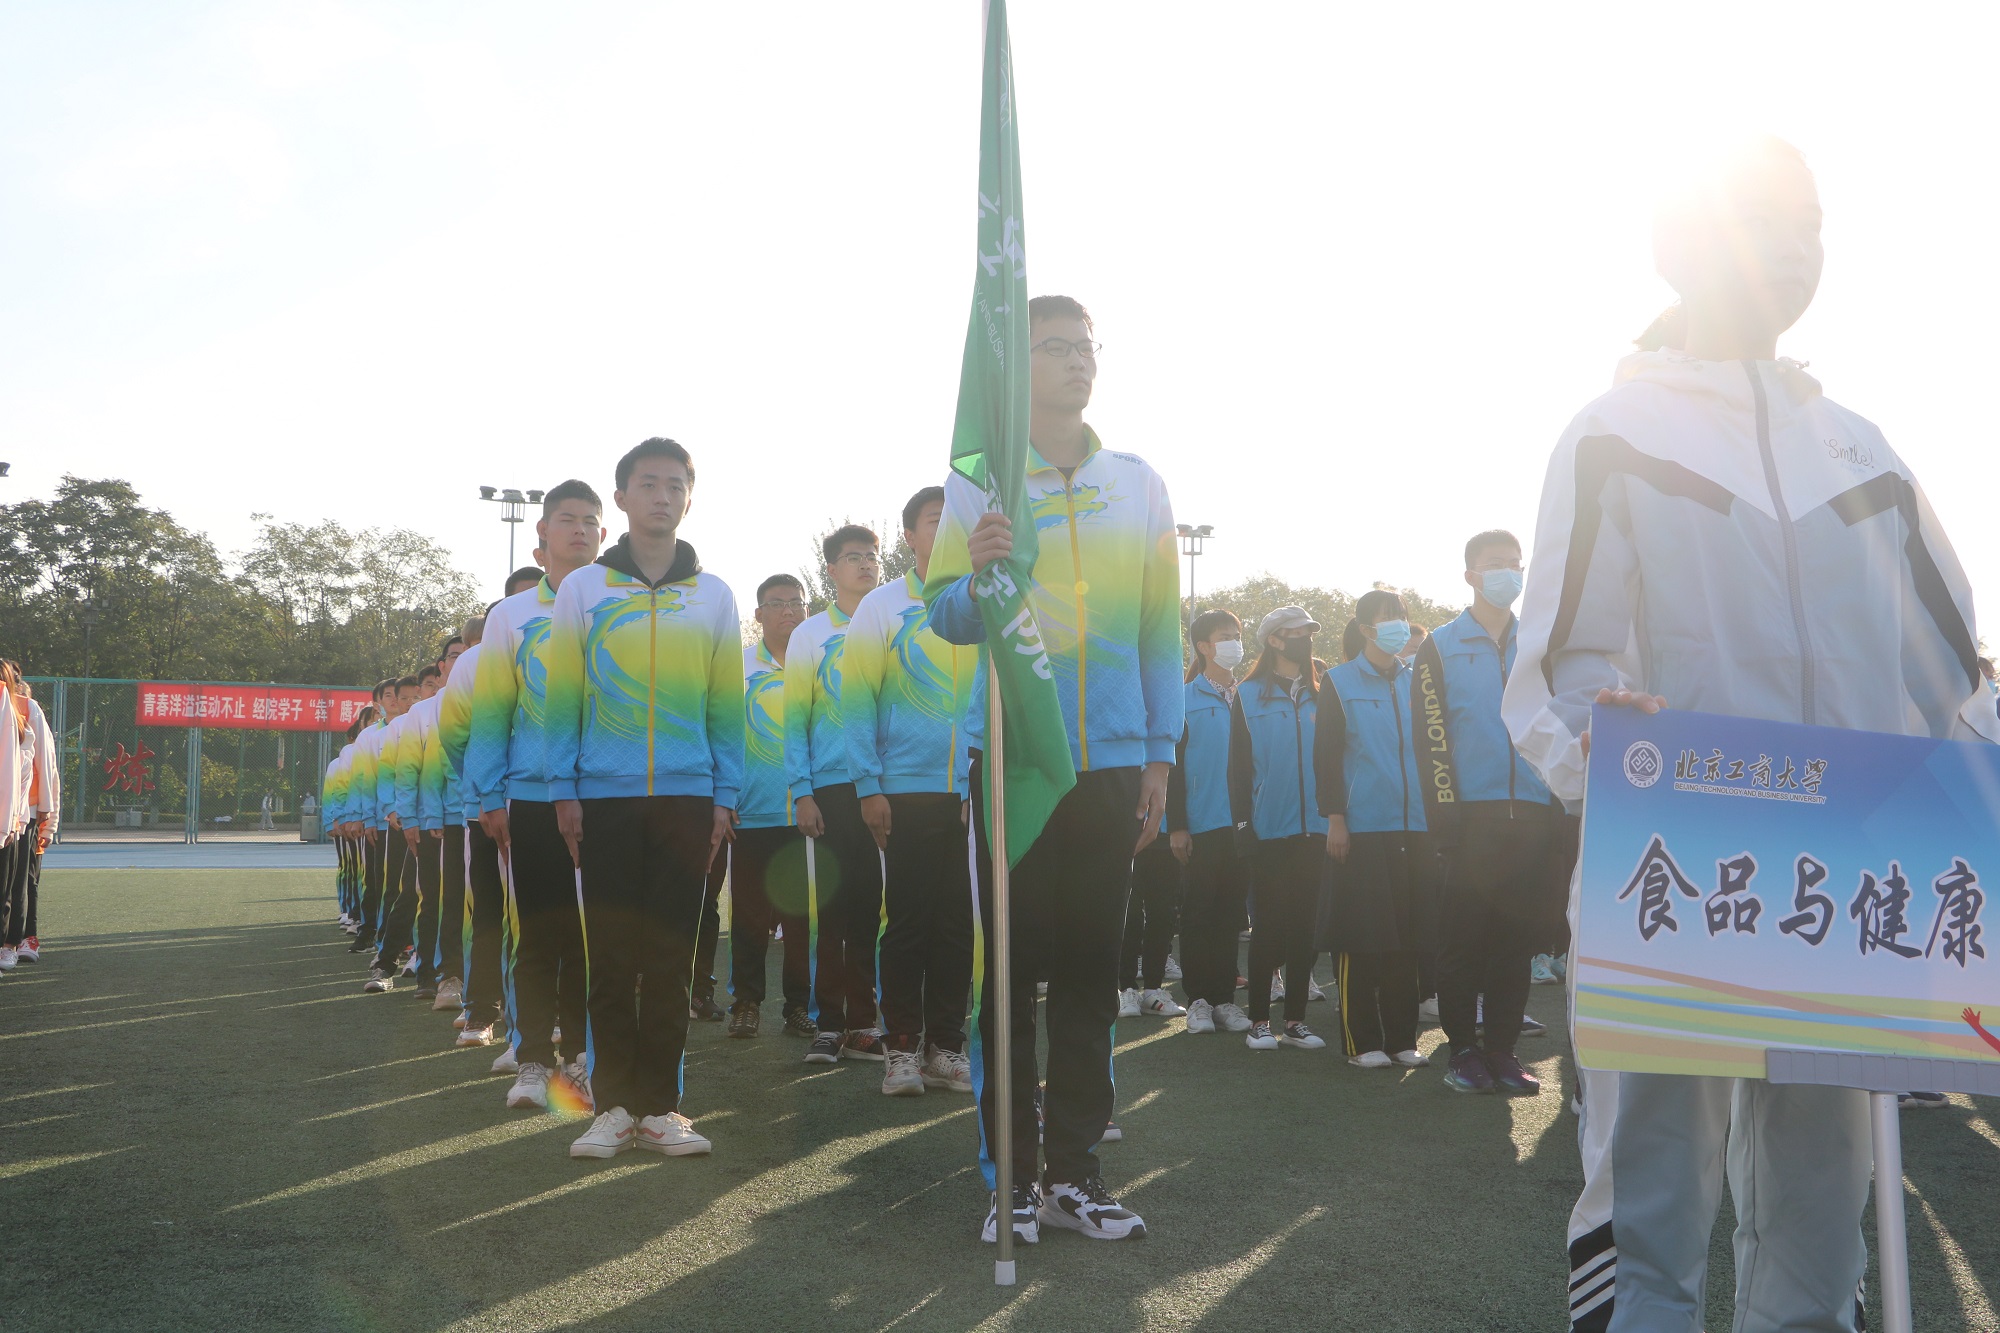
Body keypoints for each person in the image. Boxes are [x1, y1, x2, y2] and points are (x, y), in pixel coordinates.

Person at [1502, 137, 1998, 1333]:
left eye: (1808, 223)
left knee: (1820, 1195)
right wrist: (1598, 750)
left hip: (1841, 880)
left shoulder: (1863, 452)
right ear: (1676, 245)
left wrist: (1954, 793)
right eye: (1759, 218)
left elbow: (1952, 672)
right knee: (1652, 1184)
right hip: (1674, 865)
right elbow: (1556, 670)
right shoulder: (1614, 432)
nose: (1791, 246)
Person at [926, 294, 1180, 1244]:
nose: (1079, 361)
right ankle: (1012, 1183)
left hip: (1111, 765)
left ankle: (1075, 1176)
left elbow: (1160, 629)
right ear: (1016, 365)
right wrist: (980, 570)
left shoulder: (1139, 484)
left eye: (1087, 346)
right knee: (1010, 978)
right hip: (1017, 762)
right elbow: (946, 616)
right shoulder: (980, 485)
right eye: (1056, 346)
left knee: (1089, 975)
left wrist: (1159, 755)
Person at [545, 437, 744, 1161]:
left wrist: (724, 794)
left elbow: (726, 705)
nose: (663, 496)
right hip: (604, 797)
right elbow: (563, 698)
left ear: (689, 497)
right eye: (649, 483)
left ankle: (660, 1109)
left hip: (689, 797)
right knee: (609, 954)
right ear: (622, 497)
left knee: (670, 955)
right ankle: (613, 1109)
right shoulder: (584, 590)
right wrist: (564, 790)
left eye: (676, 485)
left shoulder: (714, 594)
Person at [1407, 530, 1564, 1095]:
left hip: (1533, 813)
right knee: (1462, 943)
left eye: (1515, 563)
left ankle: (1502, 1049)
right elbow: (1430, 736)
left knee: (1514, 945)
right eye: (1495, 563)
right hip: (1469, 818)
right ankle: (1463, 1053)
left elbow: (1560, 721)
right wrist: (1445, 816)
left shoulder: (1541, 642)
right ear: (1470, 574)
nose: (1508, 573)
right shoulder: (1439, 645)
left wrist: (1557, 804)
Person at [469, 482, 606, 1109]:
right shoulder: (511, 615)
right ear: (542, 534)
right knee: (539, 933)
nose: (579, 530)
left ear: (603, 535)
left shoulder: (620, 604)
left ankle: (579, 1059)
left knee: (590, 937)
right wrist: (489, 795)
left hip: (604, 797)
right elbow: (493, 713)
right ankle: (531, 1061)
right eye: (567, 520)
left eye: (590, 521)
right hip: (529, 797)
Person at [842, 486, 978, 1096]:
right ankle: (900, 1048)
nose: (947, 530)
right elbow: (857, 699)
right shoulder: (882, 606)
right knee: (907, 922)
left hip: (973, 791)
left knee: (957, 925)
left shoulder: (985, 600)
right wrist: (868, 785)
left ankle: (945, 1047)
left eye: (956, 521)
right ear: (910, 536)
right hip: (903, 790)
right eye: (935, 520)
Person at [786, 524, 888, 1065]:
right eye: (853, 557)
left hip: (889, 787)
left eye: (872, 556)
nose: (866, 564)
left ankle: (865, 1024)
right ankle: (829, 1024)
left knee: (873, 909)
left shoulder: (892, 620)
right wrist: (802, 792)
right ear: (831, 569)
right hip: (829, 787)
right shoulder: (810, 635)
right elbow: (795, 719)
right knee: (831, 912)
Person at [1314, 591, 1430, 1071]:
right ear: (1365, 629)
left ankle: (1402, 1039)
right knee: (1361, 938)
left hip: (1415, 826)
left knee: (1408, 939)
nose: (1398, 625)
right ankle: (1361, 1042)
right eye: (1387, 619)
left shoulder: (1419, 679)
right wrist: (1336, 819)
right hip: (1360, 827)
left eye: (1401, 617)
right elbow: (1326, 757)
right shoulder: (1338, 681)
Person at [1226, 606, 1332, 1055]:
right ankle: (1257, 1022)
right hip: (1268, 830)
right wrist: (1243, 826)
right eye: (1296, 632)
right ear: (1274, 640)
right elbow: (1237, 769)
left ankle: (1295, 1021)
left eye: (1309, 632)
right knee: (1268, 927)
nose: (1306, 638)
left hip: (1317, 830)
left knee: (1305, 928)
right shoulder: (1247, 695)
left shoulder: (1325, 692)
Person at [723, 573, 816, 1040]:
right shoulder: (736, 668)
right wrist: (724, 795)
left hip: (806, 815)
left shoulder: (817, 662)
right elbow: (721, 733)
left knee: (801, 920)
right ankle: (746, 1003)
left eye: (796, 602)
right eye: (777, 603)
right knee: (749, 917)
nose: (789, 611)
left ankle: (799, 1006)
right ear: (758, 614)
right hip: (751, 812)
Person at [1169, 608, 1251, 1034]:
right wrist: (1177, 825)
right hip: (1201, 822)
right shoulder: (1183, 698)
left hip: (1243, 826)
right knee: (1198, 912)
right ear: (1203, 646)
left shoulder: (1248, 695)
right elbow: (1172, 766)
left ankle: (1224, 1000)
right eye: (1225, 636)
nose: (1235, 642)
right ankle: (1198, 1000)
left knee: (1231, 914)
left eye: (1237, 634)